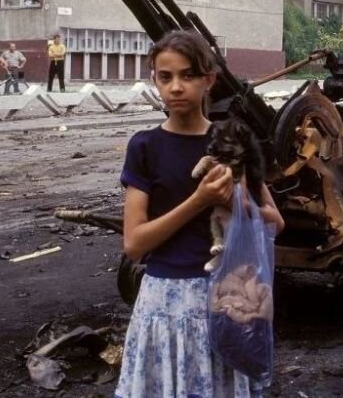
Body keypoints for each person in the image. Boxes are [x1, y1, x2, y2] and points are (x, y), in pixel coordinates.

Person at [116, 31, 284, 398]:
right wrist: (199, 200)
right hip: (165, 308)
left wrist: (240, 202)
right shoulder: (145, 147)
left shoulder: (231, 141)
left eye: (188, 75)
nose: (176, 87)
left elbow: (276, 221)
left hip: (227, 301)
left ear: (209, 79)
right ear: (154, 80)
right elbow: (133, 244)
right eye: (166, 77)